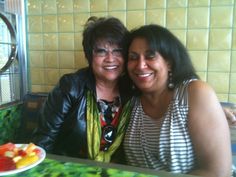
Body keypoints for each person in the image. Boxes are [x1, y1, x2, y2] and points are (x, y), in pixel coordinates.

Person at [123, 24, 232, 177]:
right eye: (133, 57)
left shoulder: (194, 94)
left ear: (169, 62)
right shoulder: (130, 101)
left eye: (150, 56)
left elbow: (218, 173)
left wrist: (215, 109)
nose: (140, 65)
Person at [31, 16, 133, 163]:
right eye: (101, 51)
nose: (110, 58)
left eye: (118, 51)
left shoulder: (132, 91)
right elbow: (42, 142)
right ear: (89, 56)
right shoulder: (70, 87)